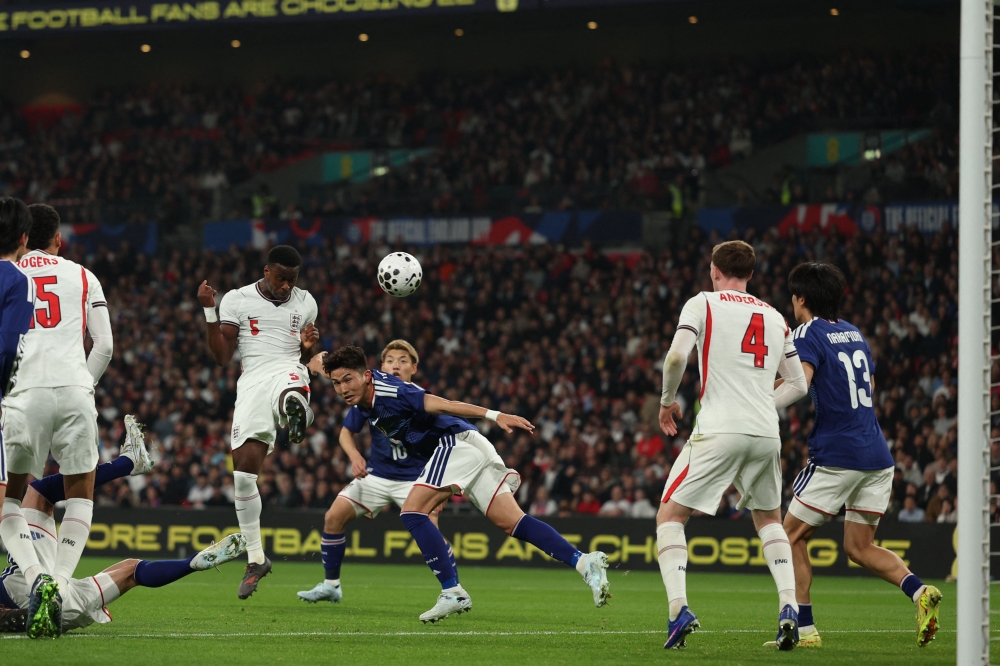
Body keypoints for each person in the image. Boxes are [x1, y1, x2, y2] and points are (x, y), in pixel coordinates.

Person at [319, 345, 610, 623]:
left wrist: (494, 415)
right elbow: (319, 364)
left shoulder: (394, 391)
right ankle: (584, 562)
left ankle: (453, 592)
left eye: (348, 380)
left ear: (366, 375)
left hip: (454, 443)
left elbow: (445, 404)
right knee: (512, 523)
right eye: (336, 383)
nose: (343, 388)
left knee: (412, 512)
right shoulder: (360, 394)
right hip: (468, 448)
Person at [774, 262, 941, 649]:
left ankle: (806, 630)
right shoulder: (854, 332)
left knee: (789, 536)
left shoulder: (807, 332)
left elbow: (800, 383)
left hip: (837, 454)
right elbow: (868, 383)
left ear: (801, 299)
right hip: (877, 455)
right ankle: (920, 592)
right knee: (858, 548)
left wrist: (760, 405)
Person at [656, 240, 808, 650]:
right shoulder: (775, 316)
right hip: (765, 433)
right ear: (752, 275)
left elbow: (675, 358)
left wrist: (667, 402)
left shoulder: (701, 303)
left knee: (670, 516)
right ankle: (789, 608)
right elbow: (799, 383)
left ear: (713, 269)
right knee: (769, 521)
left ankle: (678, 610)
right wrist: (760, 403)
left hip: (720, 428)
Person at [198, 244, 320, 599]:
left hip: (287, 367)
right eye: (281, 278)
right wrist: (209, 310)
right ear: (267, 271)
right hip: (251, 381)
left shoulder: (306, 302)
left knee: (291, 389)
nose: (286, 286)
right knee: (242, 475)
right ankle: (256, 559)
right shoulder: (237, 300)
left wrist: (308, 348)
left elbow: (305, 348)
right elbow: (222, 356)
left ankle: (296, 410)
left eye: (292, 280)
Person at [297, 340, 455, 604]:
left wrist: (443, 485)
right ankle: (331, 585)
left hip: (415, 481)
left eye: (403, 360)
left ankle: (453, 590)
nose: (396, 364)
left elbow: (446, 441)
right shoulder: (368, 395)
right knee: (333, 517)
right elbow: (346, 432)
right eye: (390, 360)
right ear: (380, 367)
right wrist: (355, 455)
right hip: (376, 476)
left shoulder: (419, 399)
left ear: (413, 368)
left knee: (431, 534)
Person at [0, 198, 64, 640]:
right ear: (24, 240)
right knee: (6, 504)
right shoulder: (17, 280)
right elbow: (8, 347)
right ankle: (38, 576)